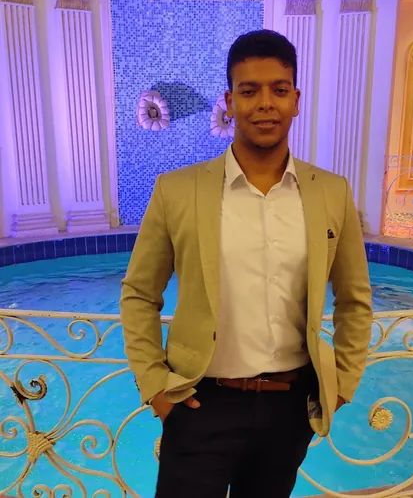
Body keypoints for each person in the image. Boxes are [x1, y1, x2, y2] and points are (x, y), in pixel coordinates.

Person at [120, 29, 373, 498]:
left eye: (279, 90)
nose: (265, 104)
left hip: (289, 407)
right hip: (199, 404)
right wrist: (155, 385)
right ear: (230, 101)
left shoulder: (331, 192)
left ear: (296, 100)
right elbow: (139, 293)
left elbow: (355, 298)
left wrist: (342, 384)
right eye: (249, 90)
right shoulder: (177, 190)